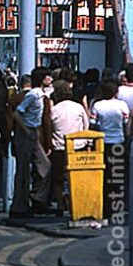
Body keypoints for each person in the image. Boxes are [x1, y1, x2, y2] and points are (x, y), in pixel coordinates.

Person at [10, 69, 52, 217]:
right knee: (23, 172)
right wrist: (26, 130)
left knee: (45, 166)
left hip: (33, 133)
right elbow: (17, 113)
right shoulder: (33, 95)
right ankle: (19, 207)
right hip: (27, 133)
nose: (50, 78)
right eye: (47, 76)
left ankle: (37, 199)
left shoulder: (40, 95)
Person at [89, 76, 130, 217]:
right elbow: (126, 124)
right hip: (118, 142)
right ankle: (117, 206)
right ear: (116, 92)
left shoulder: (97, 105)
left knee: (104, 176)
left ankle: (105, 207)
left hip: (102, 142)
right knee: (118, 175)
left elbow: (93, 125)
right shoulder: (122, 105)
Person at [48, 79, 89, 215]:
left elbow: (50, 128)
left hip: (59, 147)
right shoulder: (78, 107)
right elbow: (86, 125)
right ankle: (74, 204)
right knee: (76, 178)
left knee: (58, 179)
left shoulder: (54, 110)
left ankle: (60, 204)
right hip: (78, 146)